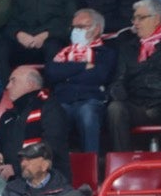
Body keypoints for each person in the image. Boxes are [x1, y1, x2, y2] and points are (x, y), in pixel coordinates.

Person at [106, 0, 161, 158]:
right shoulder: (127, 47)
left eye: (141, 18)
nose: (135, 23)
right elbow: (118, 79)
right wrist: (117, 90)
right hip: (137, 105)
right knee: (115, 109)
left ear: (156, 19)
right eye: (134, 18)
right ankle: (124, 167)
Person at [45, 8, 117, 155]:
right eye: (74, 27)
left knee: (87, 115)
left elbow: (99, 76)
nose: (75, 31)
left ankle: (92, 168)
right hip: (62, 101)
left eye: (81, 27)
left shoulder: (106, 53)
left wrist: (66, 75)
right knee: (53, 118)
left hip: (90, 100)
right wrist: (83, 66)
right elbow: (51, 73)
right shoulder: (63, 52)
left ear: (96, 29)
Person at [0, 66, 71, 180]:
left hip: (46, 183)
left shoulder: (50, 108)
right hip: (11, 184)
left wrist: (17, 169)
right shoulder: (8, 115)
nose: (8, 86)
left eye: (13, 81)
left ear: (30, 84)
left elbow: (51, 148)